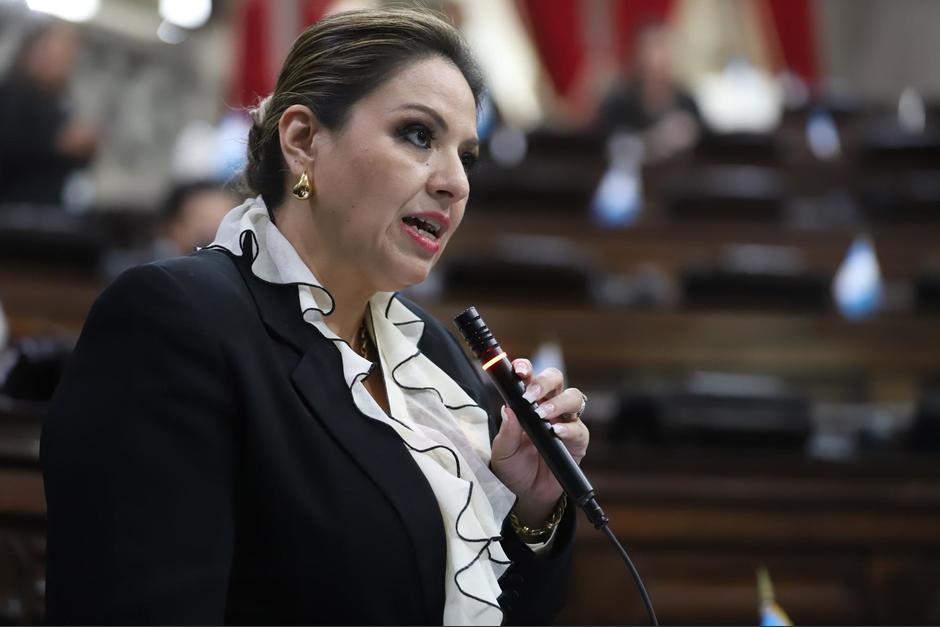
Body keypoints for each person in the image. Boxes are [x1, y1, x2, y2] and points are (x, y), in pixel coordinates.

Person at [41, 9, 590, 625]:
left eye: (466, 155)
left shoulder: (429, 355)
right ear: (302, 140)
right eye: (416, 135)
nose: (455, 182)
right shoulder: (175, 321)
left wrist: (530, 507)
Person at [0, 19, 99, 207]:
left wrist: (85, 150)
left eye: (68, 56)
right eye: (56, 53)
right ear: (32, 51)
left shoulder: (61, 105)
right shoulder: (8, 95)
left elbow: (67, 167)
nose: (62, 63)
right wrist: (56, 144)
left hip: (46, 212)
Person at [597, 18, 701, 162]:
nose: (658, 56)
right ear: (636, 53)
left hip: (681, 180)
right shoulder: (619, 103)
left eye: (664, 46)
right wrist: (661, 138)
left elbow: (707, 144)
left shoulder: (687, 102)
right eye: (651, 46)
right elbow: (611, 149)